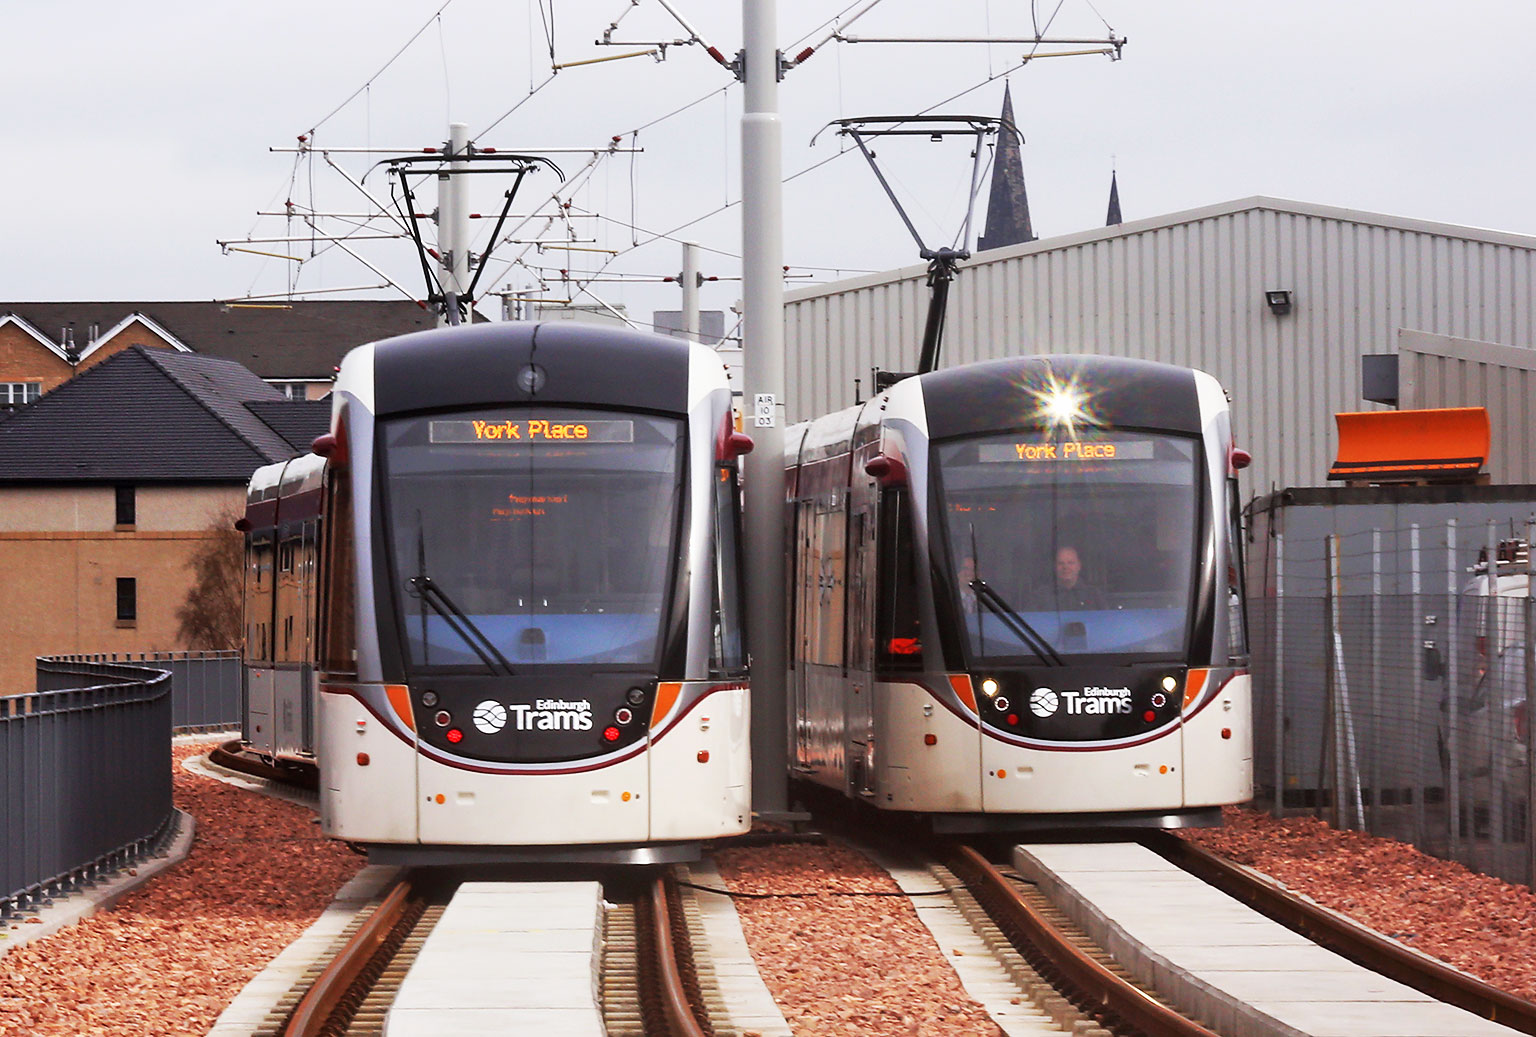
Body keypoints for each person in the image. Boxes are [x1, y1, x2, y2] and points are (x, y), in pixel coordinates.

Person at [1051, 544, 1105, 610]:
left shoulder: (1094, 595)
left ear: (1079, 566)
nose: (1065, 567)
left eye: (1070, 563)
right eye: (1061, 563)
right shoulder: (1042, 596)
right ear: (1055, 567)